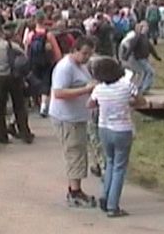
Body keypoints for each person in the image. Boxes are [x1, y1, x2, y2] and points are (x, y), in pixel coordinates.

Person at [88, 57, 144, 218]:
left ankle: (105, 195)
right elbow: (142, 101)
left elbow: (89, 104)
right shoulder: (127, 86)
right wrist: (128, 103)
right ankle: (113, 205)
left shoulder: (99, 88)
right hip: (122, 129)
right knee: (120, 167)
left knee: (110, 163)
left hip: (104, 128)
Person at [49, 35, 97, 208]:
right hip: (67, 118)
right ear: (74, 50)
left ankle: (76, 188)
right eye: (84, 54)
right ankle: (74, 192)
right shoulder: (65, 68)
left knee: (79, 153)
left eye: (89, 54)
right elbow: (59, 93)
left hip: (78, 116)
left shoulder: (80, 66)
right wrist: (85, 89)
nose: (87, 58)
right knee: (74, 153)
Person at [0, 27, 34, 144]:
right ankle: (25, 133)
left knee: (0, 110)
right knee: (19, 106)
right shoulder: (10, 45)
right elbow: (23, 56)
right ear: (2, 34)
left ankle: (2, 136)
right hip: (13, 78)